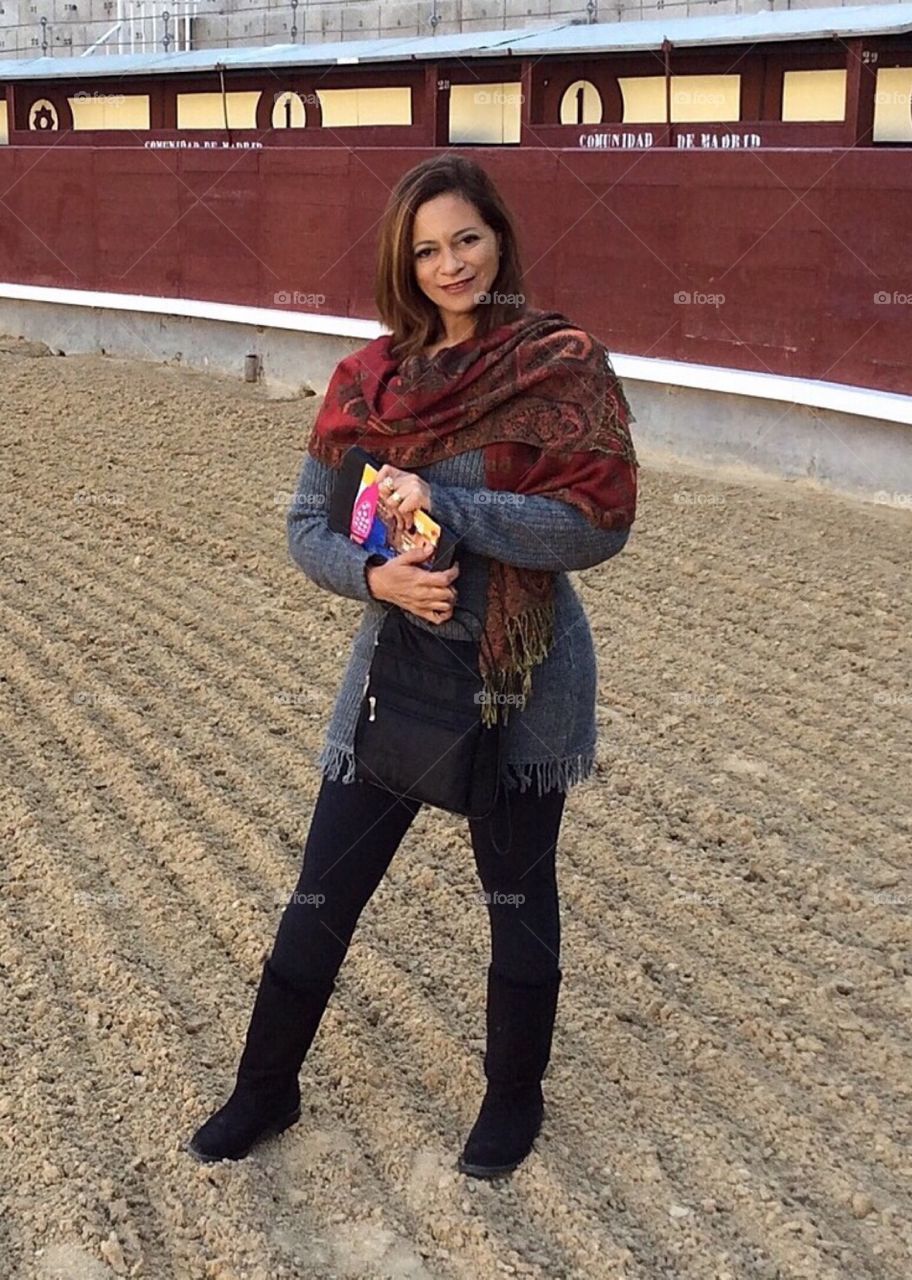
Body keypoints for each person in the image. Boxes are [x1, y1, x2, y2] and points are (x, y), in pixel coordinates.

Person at [187, 153, 639, 1177]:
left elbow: (596, 525)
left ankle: (510, 1101)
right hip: (397, 663)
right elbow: (308, 524)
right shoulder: (366, 381)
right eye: (426, 248)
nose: (449, 264)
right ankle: (265, 1086)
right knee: (322, 889)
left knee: (515, 898)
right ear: (402, 260)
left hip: (522, 674)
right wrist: (373, 578)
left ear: (498, 241)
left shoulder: (560, 362)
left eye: (466, 240)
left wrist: (449, 504)